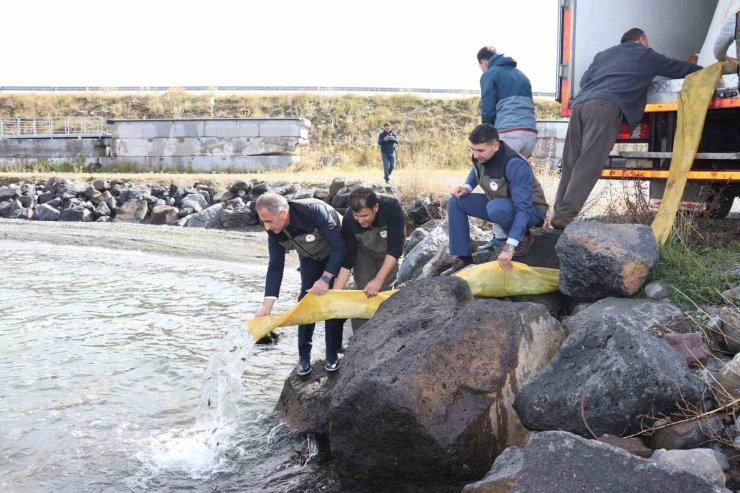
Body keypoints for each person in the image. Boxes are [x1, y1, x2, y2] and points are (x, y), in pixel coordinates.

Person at [551, 28, 702, 230]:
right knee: (590, 161)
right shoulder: (644, 54)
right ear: (640, 39)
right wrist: (705, 69)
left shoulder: (603, 55)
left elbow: (584, 81)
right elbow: (676, 68)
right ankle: (566, 215)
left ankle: (559, 213)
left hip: (579, 106)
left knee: (571, 160)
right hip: (605, 107)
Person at [254, 192, 345, 376]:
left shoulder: (313, 211)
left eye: (269, 221)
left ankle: (332, 354)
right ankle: (304, 357)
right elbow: (275, 265)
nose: (266, 227)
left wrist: (326, 278)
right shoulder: (273, 230)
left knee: (332, 301)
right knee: (305, 300)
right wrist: (267, 304)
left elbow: (340, 247)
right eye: (263, 221)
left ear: (283, 214)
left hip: (336, 252)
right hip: (310, 256)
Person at [445, 124, 549, 275]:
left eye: (480, 150)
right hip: (498, 204)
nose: (475, 155)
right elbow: (476, 168)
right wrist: (467, 187)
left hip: (531, 211)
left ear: (495, 146)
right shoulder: (481, 155)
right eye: (472, 149)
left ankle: (523, 237)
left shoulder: (514, 163)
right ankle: (464, 258)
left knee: (496, 208)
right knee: (455, 201)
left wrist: (509, 247)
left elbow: (522, 209)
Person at [333, 188, 404, 329]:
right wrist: (335, 294)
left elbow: (395, 250)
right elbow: (348, 260)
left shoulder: (392, 207)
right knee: (363, 292)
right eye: (356, 216)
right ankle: (359, 339)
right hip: (364, 253)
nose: (360, 220)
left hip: (389, 253)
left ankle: (382, 334)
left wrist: (378, 281)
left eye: (364, 215)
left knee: (382, 294)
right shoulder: (349, 219)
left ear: (375, 207)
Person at [477, 46, 538, 159]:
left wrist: (485, 134)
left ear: (484, 62)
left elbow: (488, 109)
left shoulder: (490, 74)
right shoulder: (522, 75)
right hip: (531, 134)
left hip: (509, 133)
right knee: (517, 173)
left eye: (480, 66)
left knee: (495, 172)